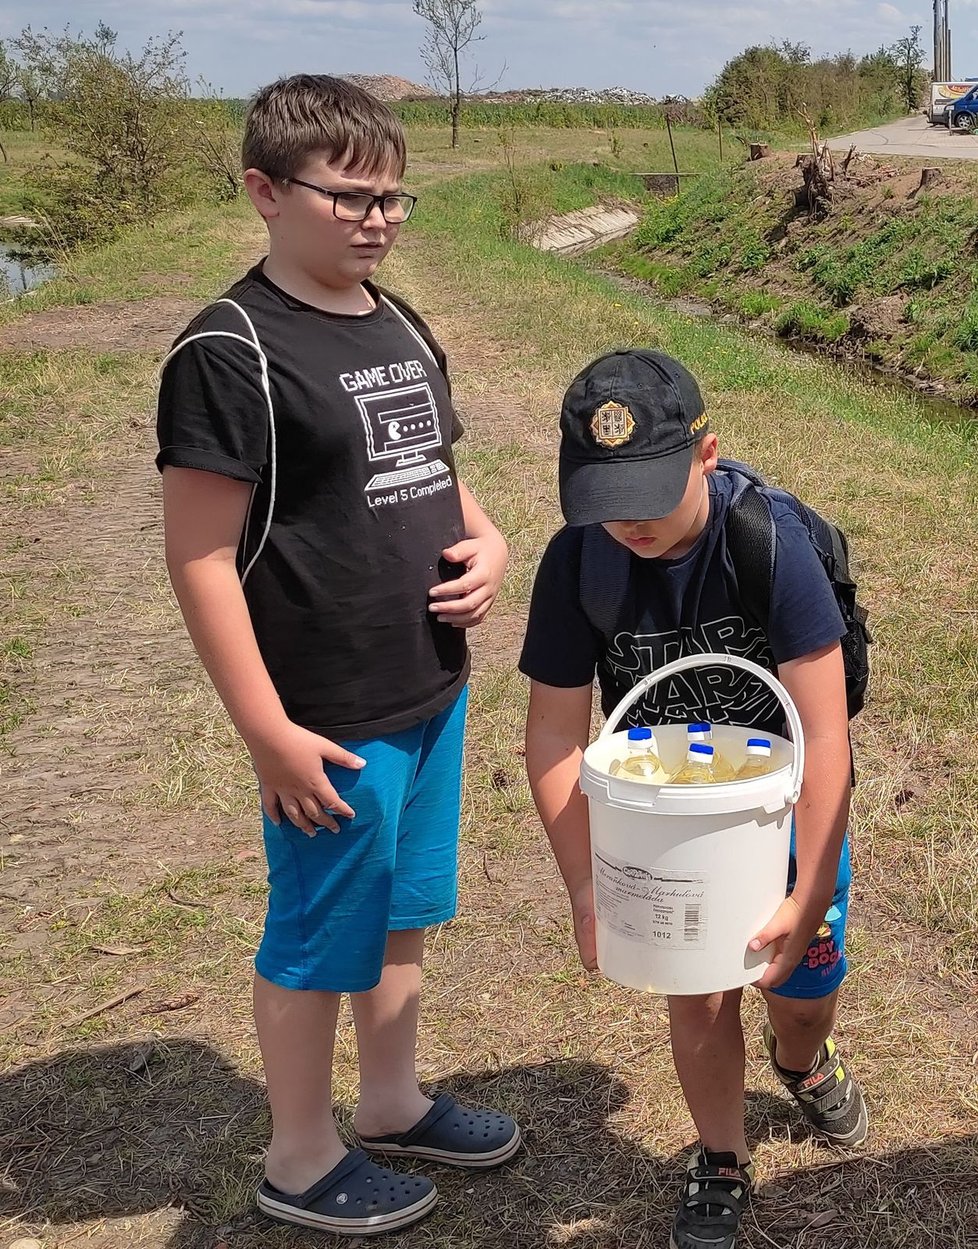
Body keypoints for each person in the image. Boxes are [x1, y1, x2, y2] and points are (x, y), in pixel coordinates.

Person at [156, 74, 519, 1237]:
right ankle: (301, 1156)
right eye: (351, 197)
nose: (379, 220)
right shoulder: (229, 351)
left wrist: (492, 537)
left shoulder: (400, 319)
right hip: (326, 714)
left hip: (430, 688)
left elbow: (435, 466)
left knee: (401, 913)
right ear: (265, 191)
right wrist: (267, 731)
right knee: (318, 935)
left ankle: (393, 1099)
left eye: (395, 199)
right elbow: (202, 558)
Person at [520, 348, 867, 1249]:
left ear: (706, 455)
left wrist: (805, 887)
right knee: (698, 989)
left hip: (782, 813)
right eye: (604, 498)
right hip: (671, 825)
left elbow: (827, 737)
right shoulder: (577, 564)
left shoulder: (769, 543)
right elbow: (556, 736)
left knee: (799, 986)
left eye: (650, 490)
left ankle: (802, 1057)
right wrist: (589, 888)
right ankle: (721, 1154)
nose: (627, 520)